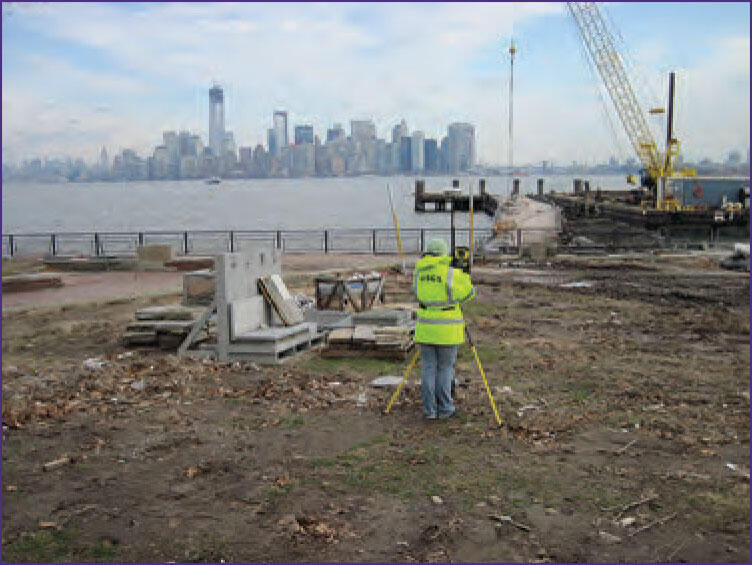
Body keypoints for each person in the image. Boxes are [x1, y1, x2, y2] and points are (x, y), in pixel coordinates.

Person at [412, 238, 476, 420]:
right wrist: (463, 273)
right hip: (447, 330)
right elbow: (469, 292)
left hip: (425, 328)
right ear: (444, 253)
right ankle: (446, 408)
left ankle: (429, 410)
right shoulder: (450, 273)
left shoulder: (419, 270)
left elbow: (416, 292)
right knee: (445, 368)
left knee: (428, 368)